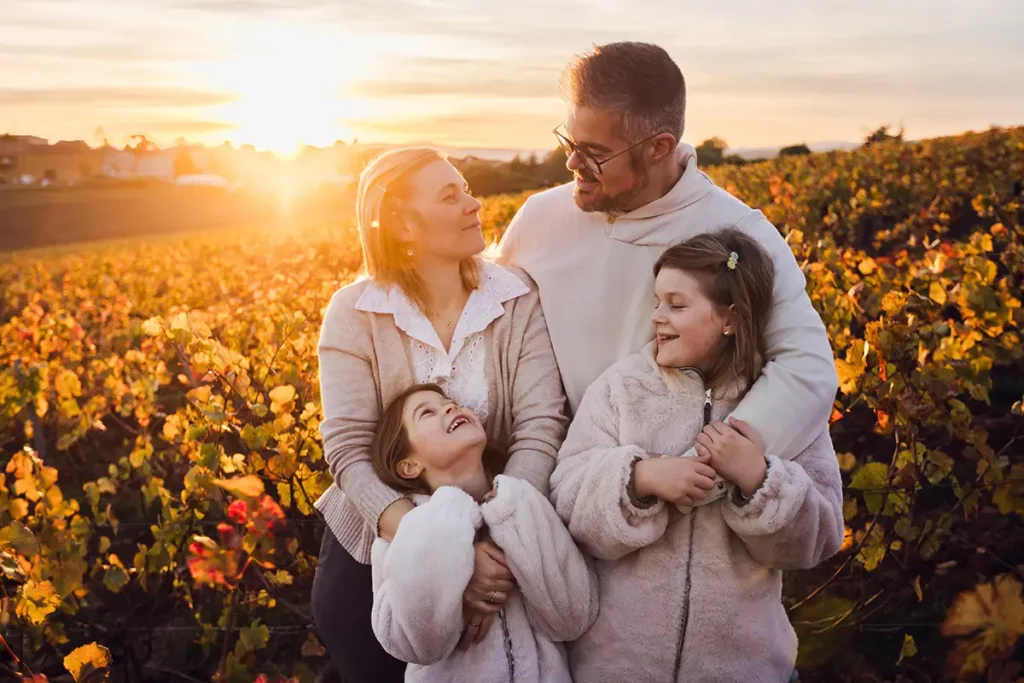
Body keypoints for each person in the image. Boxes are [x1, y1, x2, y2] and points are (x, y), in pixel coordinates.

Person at [497, 41, 839, 472]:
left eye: (595, 153)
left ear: (659, 147)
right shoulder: (538, 219)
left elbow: (805, 369)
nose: (572, 162)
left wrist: (703, 466)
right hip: (564, 484)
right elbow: (495, 343)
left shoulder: (741, 233)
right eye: (569, 141)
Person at [311, 148, 568, 682]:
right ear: (402, 224)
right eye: (451, 196)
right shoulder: (354, 313)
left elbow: (541, 427)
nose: (474, 204)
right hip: (375, 551)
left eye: (466, 188)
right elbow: (348, 450)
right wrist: (444, 554)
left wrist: (492, 544)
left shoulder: (516, 298)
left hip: (503, 546)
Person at [550, 229, 845, 682]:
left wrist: (760, 481)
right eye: (656, 302)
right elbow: (567, 502)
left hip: (745, 669)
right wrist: (639, 479)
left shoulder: (781, 406)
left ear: (730, 318)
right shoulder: (622, 389)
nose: (657, 318)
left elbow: (819, 539)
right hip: (617, 668)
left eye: (676, 304)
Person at [368, 383, 597, 682]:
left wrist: (509, 508)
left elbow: (574, 617)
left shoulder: (523, 502)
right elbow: (413, 644)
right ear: (409, 465)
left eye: (450, 402)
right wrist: (450, 512)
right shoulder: (402, 537)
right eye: (427, 412)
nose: (450, 407)